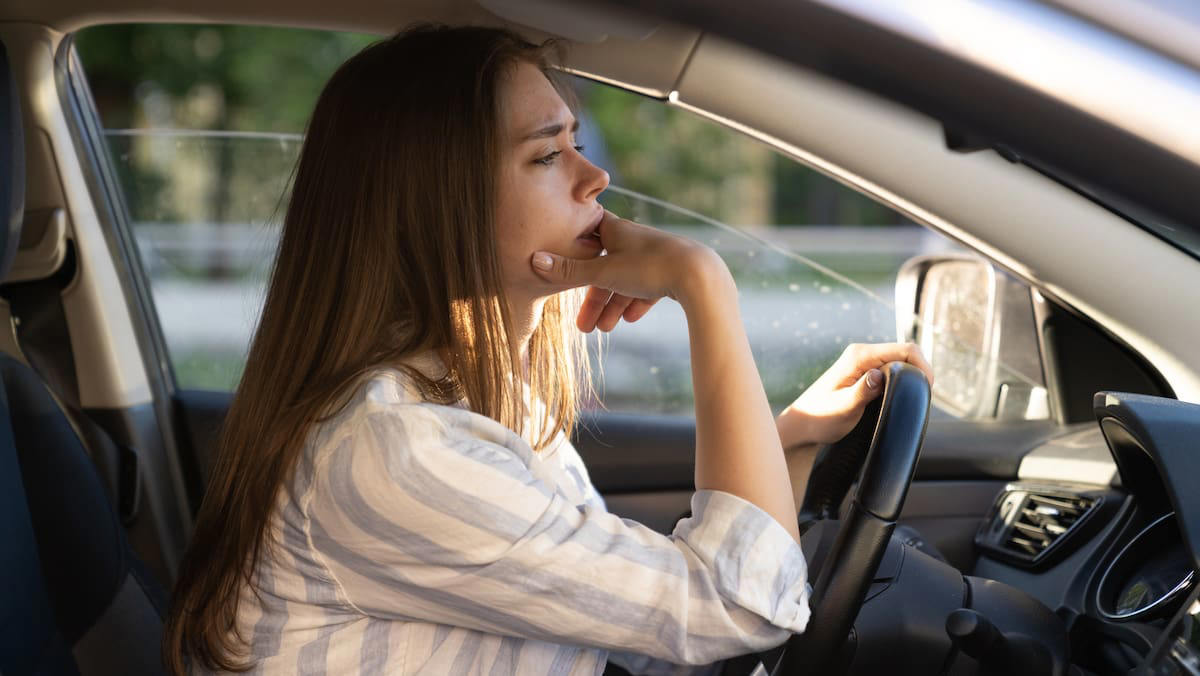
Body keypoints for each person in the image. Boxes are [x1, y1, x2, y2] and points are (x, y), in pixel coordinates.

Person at [163, 24, 934, 675]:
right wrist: (705, 287)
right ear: (438, 204)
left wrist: (790, 435)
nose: (595, 177)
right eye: (546, 155)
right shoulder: (399, 451)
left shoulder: (469, 400)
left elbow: (646, 609)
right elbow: (735, 607)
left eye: (576, 142)